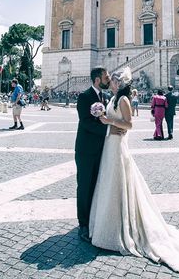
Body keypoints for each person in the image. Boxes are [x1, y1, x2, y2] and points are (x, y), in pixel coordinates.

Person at [90, 67, 179, 274]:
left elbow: (129, 124)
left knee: (119, 182)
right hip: (111, 145)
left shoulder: (123, 100)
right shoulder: (113, 99)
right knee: (112, 183)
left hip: (117, 145)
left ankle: (120, 227)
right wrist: (107, 119)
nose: (110, 83)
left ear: (119, 84)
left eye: (113, 81)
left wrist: (109, 120)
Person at [75, 66, 124, 243]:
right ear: (97, 80)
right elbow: (86, 123)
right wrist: (109, 132)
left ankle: (92, 219)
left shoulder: (104, 97)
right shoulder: (85, 97)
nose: (109, 79)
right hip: (86, 150)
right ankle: (82, 224)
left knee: (95, 185)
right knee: (84, 185)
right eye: (106, 77)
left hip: (101, 150)